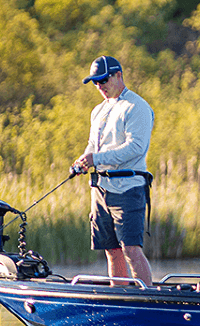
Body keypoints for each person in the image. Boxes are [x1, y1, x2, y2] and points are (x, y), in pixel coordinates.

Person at [70, 55, 155, 286]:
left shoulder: (137, 107)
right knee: (111, 250)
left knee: (130, 249)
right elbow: (93, 145)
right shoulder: (97, 111)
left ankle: (145, 301)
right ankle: (120, 299)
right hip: (99, 189)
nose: (100, 86)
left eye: (104, 80)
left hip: (128, 188)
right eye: (95, 82)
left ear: (119, 76)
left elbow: (136, 148)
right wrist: (83, 160)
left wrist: (96, 158)